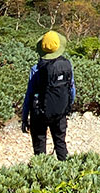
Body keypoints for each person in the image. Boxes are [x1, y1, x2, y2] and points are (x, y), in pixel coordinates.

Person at [21, 30, 76, 160]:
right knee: (60, 143)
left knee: (39, 145)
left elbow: (29, 95)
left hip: (39, 113)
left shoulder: (36, 69)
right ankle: (67, 173)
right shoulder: (67, 66)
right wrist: (65, 106)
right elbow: (71, 90)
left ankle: (41, 174)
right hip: (59, 112)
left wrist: (24, 117)